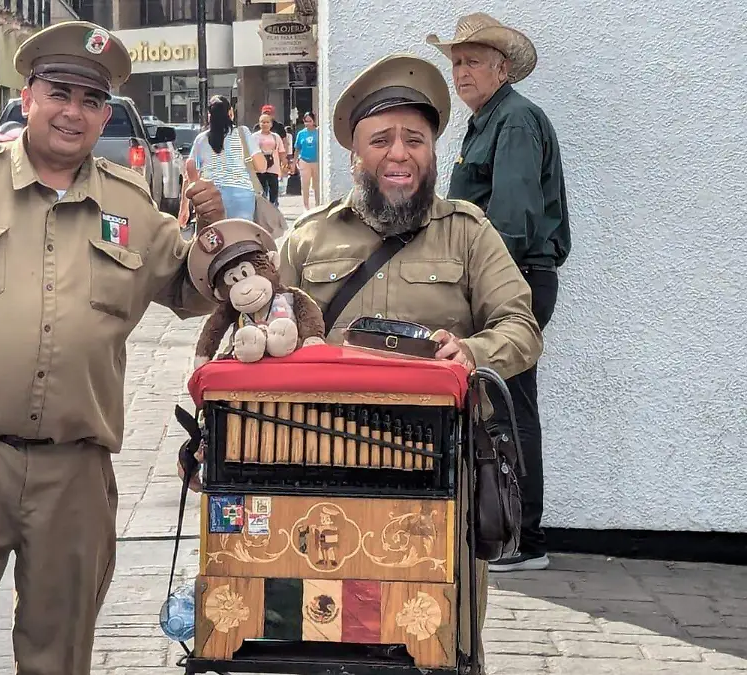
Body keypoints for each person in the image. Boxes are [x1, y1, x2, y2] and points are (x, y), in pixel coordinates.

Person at [0, 20, 226, 675]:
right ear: (27, 97)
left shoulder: (130, 204)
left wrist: (215, 233)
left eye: (91, 100)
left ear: (105, 114)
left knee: (60, 639)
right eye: (59, 93)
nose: (73, 112)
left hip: (74, 465)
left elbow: (193, 291)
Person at [276, 53, 544, 674]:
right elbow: (261, 332)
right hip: (320, 474)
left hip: (441, 476)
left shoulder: (468, 233)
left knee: (438, 641)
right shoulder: (309, 238)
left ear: (431, 152)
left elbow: (521, 326)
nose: (399, 153)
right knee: (323, 633)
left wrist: (471, 352)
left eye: (414, 140)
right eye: (381, 140)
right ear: (354, 153)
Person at [428, 12, 570, 573]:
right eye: (456, 63)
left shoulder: (512, 121)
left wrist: (478, 288)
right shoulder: (490, 119)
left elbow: (510, 221)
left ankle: (520, 538)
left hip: (512, 279)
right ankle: (510, 531)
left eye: (473, 62)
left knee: (509, 408)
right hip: (508, 277)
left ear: (502, 68)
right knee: (501, 404)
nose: (461, 72)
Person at [188, 95, 266, 220]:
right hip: (241, 196)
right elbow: (261, 166)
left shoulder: (201, 139)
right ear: (230, 112)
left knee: (212, 231)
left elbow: (190, 166)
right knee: (241, 230)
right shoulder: (242, 133)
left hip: (210, 196)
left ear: (209, 115)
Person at [251, 112, 287, 206]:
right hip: (259, 167)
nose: (265, 124)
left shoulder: (276, 136)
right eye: (263, 122)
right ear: (259, 123)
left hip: (273, 166)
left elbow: (281, 151)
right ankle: (262, 208)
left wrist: (284, 162)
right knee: (261, 189)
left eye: (267, 122)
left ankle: (273, 206)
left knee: (274, 188)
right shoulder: (254, 137)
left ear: (271, 124)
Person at [292, 111, 320, 208]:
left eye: (310, 121)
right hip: (304, 161)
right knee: (305, 184)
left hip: (316, 161)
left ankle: (317, 204)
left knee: (317, 184)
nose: (307, 123)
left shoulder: (318, 133)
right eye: (306, 121)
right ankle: (306, 206)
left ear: (314, 121)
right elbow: (297, 149)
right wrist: (294, 163)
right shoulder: (301, 134)